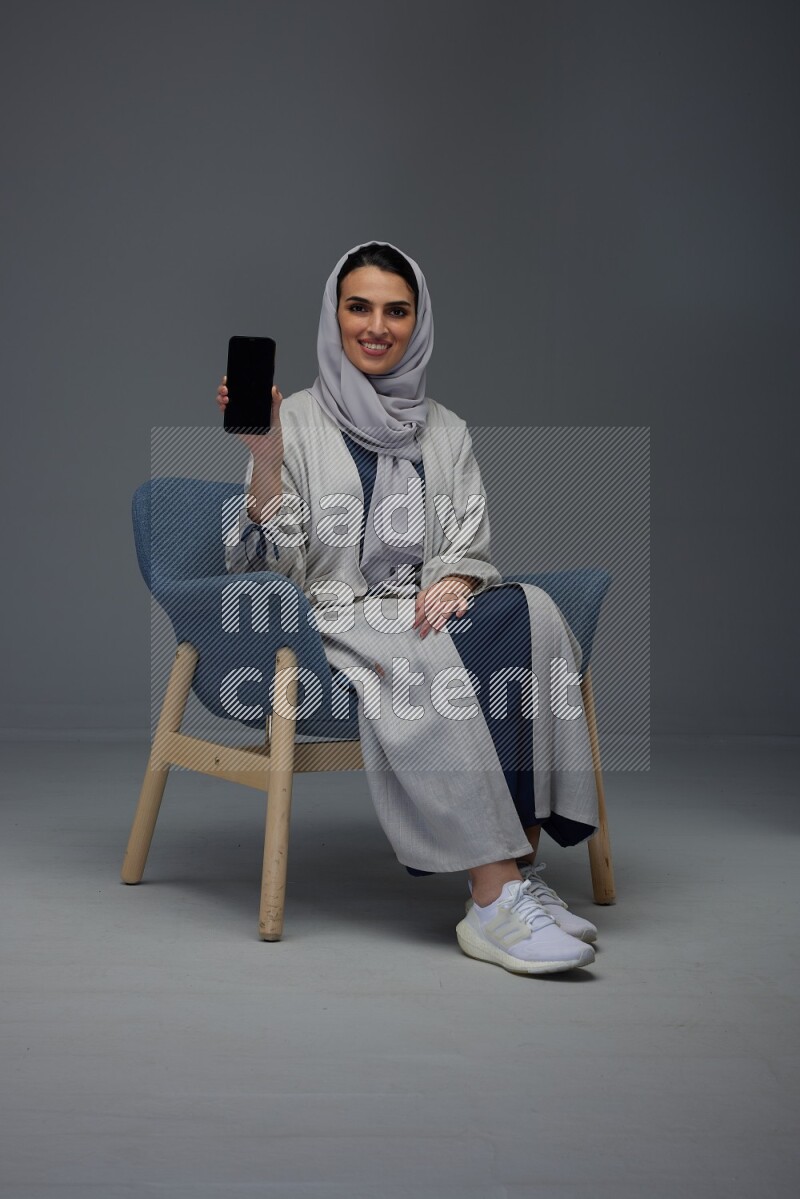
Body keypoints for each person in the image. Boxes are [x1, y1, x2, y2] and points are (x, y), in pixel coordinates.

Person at [216, 241, 600, 976]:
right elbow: (273, 565)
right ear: (334, 316)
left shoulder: (446, 430)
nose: (376, 325)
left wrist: (457, 578)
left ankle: (520, 867)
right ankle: (491, 899)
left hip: (418, 610)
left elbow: (468, 539)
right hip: (330, 617)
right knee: (425, 655)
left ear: (418, 322)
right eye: (358, 306)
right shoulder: (291, 420)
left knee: (534, 613)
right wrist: (264, 457)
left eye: (397, 310)